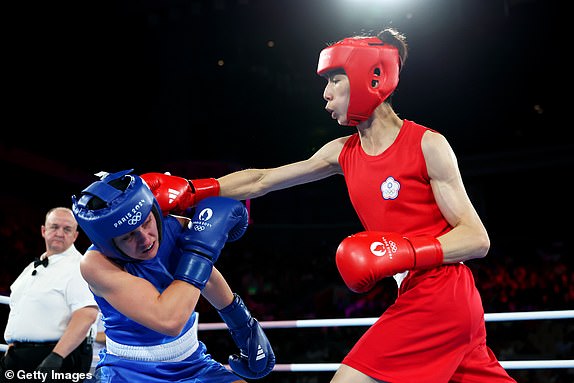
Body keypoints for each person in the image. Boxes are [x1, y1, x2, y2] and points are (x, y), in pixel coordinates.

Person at [141, 27, 518, 382]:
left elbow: (476, 238)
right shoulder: (342, 153)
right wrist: (194, 190)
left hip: (442, 292)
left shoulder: (427, 144)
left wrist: (402, 251)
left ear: (369, 78)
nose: (325, 94)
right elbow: (262, 179)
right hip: (427, 295)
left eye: (334, 81)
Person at [71, 169, 274, 383]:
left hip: (193, 362)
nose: (145, 238)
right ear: (108, 244)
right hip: (129, 371)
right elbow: (169, 319)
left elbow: (208, 278)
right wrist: (201, 250)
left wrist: (245, 327)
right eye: (129, 235)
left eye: (147, 222)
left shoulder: (172, 227)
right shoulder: (95, 264)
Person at [1, 207, 99, 383]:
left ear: (75, 235)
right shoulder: (30, 268)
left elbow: (86, 315)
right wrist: (12, 346)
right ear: (43, 231)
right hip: (18, 357)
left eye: (67, 229)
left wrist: (56, 357)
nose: (60, 233)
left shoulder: (79, 267)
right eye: (54, 227)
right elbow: (19, 311)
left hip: (59, 356)